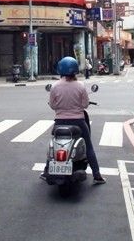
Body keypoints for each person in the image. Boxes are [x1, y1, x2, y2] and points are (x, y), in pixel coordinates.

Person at [42, 56, 105, 185]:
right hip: (78, 122)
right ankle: (97, 175)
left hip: (59, 122)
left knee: (54, 145)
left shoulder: (55, 86)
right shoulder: (80, 86)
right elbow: (85, 104)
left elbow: (53, 105)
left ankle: (46, 170)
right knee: (88, 147)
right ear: (75, 70)